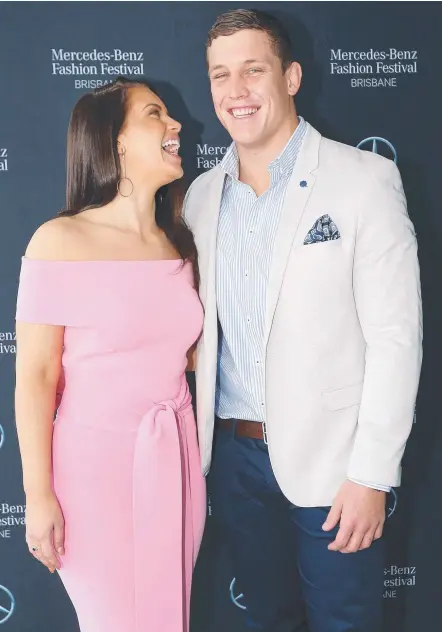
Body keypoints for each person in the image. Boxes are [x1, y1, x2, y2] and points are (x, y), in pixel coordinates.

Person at [183, 9, 422, 632]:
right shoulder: (199, 197)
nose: (235, 90)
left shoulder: (365, 179)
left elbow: (396, 339)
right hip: (233, 463)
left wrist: (371, 475)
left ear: (290, 76)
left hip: (334, 465)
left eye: (252, 70)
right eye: (220, 75)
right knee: (270, 622)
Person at [14, 76, 206, 632]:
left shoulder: (179, 243)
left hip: (177, 461)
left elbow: (180, 352)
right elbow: (36, 375)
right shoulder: (59, 241)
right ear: (115, 142)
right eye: (155, 114)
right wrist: (38, 494)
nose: (176, 126)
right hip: (93, 475)